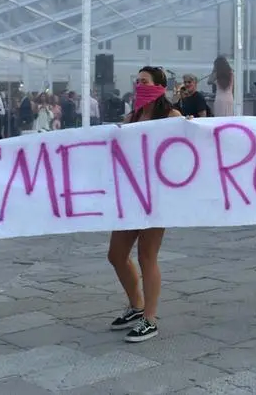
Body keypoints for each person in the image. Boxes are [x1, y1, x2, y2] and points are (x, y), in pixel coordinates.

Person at [108, 66, 182, 343]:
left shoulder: (172, 116)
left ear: (160, 86)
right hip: (129, 194)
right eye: (137, 81)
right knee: (116, 254)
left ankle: (150, 318)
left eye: (145, 82)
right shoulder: (132, 116)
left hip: (157, 195)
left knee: (146, 256)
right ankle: (136, 306)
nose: (140, 86)